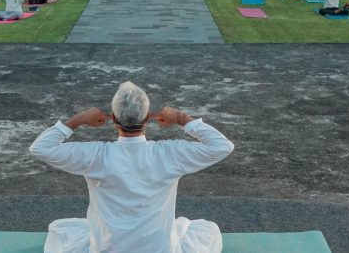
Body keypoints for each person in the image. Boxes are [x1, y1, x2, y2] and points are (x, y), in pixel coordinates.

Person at [30, 81, 233, 253]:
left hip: (107, 248)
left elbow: (40, 148)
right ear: (147, 119)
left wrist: (78, 120)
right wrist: (181, 118)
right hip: (160, 249)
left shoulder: (96, 155)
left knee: (63, 230)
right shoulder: (169, 154)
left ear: (114, 119)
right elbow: (222, 146)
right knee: (208, 230)